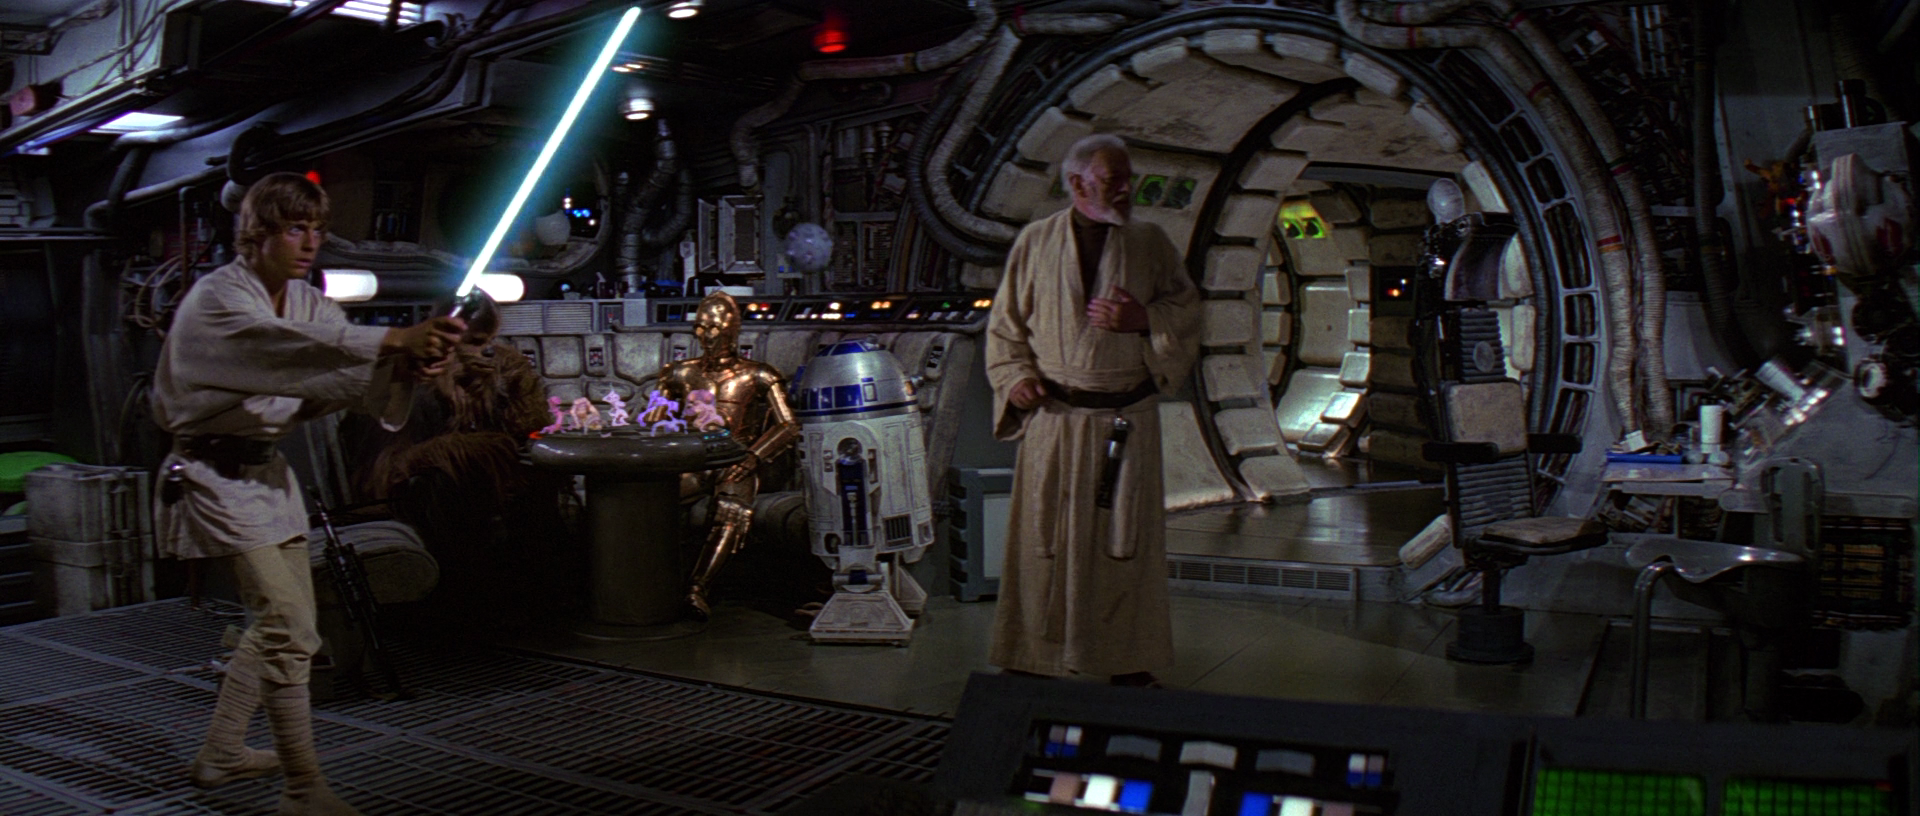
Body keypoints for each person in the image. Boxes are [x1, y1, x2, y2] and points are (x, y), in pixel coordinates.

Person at [152, 172, 463, 815]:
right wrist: (392, 339)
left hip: (268, 476)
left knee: (282, 624)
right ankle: (302, 790)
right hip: (213, 476)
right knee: (289, 628)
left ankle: (222, 753)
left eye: (318, 229)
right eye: (296, 228)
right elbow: (281, 348)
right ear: (258, 233)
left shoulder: (307, 302)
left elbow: (339, 373)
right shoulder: (219, 299)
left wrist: (407, 364)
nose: (311, 242)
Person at [984, 134, 1201, 687]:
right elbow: (1005, 327)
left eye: (1128, 178)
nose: (1127, 189)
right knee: (1044, 540)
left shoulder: (1151, 243)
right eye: (1113, 180)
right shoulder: (1036, 242)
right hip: (1057, 419)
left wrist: (1144, 321)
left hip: (1124, 421)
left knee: (1122, 543)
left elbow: (1187, 309)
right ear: (1078, 183)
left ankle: (1125, 659)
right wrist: (1016, 379)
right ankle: (1034, 655)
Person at [645, 291, 800, 621]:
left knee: (731, 509)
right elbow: (652, 420)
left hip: (737, 459)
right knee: (654, 498)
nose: (707, 336)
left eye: (714, 327)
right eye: (701, 327)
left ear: (732, 329)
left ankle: (697, 589)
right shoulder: (678, 373)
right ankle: (651, 585)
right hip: (692, 458)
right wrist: (656, 416)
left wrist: (754, 457)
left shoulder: (759, 375)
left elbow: (788, 425)